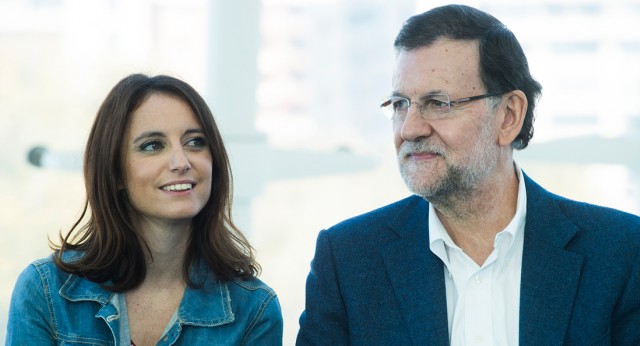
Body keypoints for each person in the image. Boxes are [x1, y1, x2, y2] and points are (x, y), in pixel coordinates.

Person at [297, 4, 640, 346]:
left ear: (508, 116)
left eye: (438, 102)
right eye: (400, 104)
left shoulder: (622, 254)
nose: (410, 128)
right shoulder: (348, 261)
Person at [7, 74, 283, 345]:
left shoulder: (255, 311)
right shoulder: (45, 291)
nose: (181, 161)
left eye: (195, 142)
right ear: (114, 173)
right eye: (153, 145)